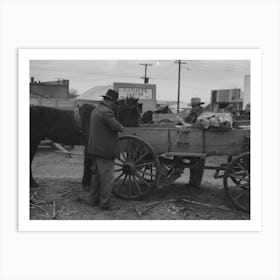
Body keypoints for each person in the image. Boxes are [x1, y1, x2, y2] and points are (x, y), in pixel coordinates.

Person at [78, 89, 123, 210]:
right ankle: (104, 203)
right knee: (107, 178)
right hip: (104, 151)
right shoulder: (107, 112)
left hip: (95, 149)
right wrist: (121, 126)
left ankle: (93, 200)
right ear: (110, 101)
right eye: (114, 103)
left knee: (97, 176)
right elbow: (117, 127)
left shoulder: (96, 110)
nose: (114, 105)